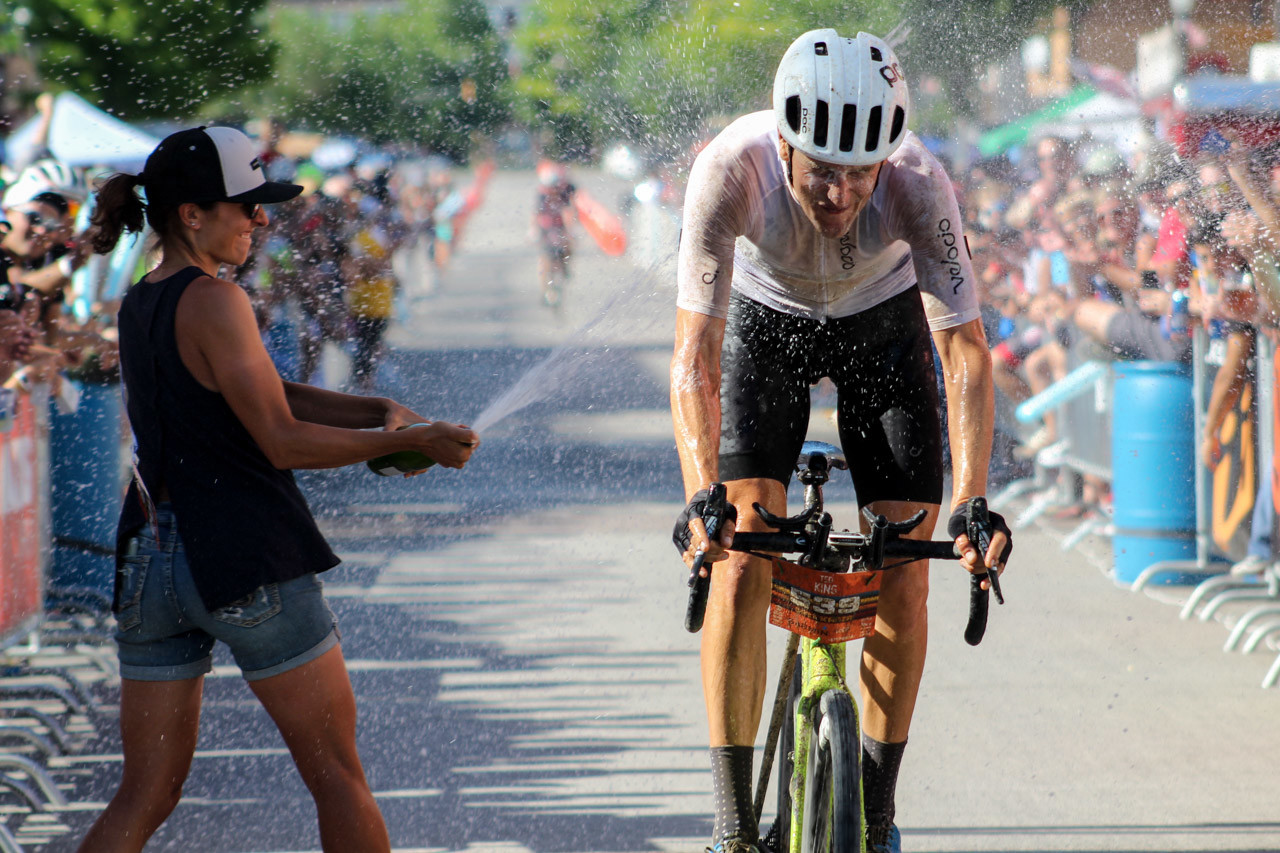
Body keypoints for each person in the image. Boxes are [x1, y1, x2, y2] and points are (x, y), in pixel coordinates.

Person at [76, 126, 479, 853]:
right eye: (246, 205)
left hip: (151, 562)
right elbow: (280, 439)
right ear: (192, 214)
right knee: (336, 775)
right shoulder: (217, 300)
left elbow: (260, 390)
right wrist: (403, 441)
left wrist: (375, 410)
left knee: (143, 794)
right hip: (242, 557)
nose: (262, 219)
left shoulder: (143, 301)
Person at [670, 30, 1012, 853]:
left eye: (860, 172)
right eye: (823, 169)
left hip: (882, 326)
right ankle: (731, 825)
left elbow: (964, 351)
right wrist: (700, 496)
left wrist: (972, 501)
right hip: (767, 322)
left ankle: (877, 809)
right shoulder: (729, 169)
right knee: (740, 556)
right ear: (784, 142)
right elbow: (694, 357)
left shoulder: (919, 183)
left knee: (905, 562)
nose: (840, 193)